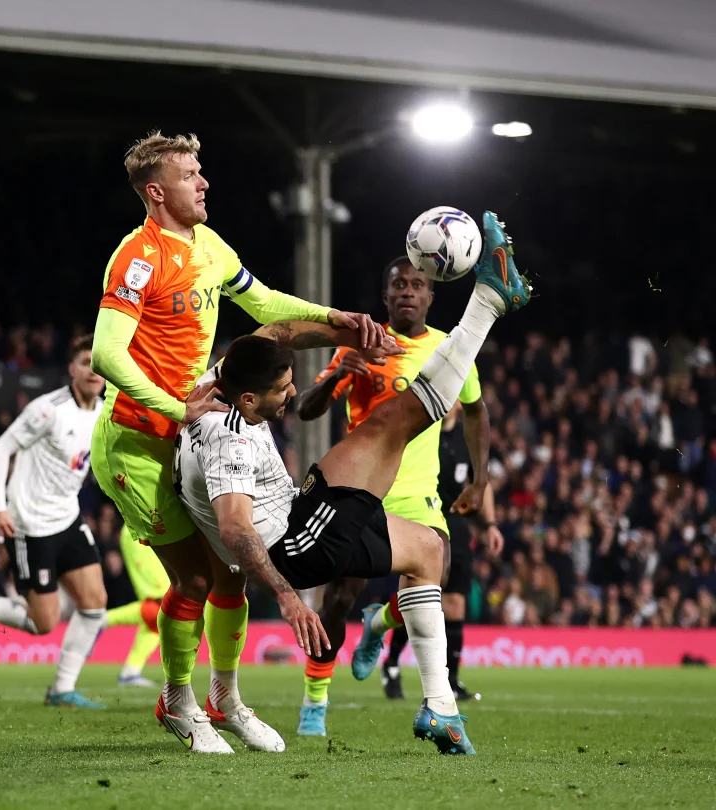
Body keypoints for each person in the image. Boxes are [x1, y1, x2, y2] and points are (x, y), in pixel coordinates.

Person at [173, 211, 529, 755]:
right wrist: (291, 600)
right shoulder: (228, 435)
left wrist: (347, 328)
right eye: (281, 391)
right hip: (292, 547)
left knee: (429, 550)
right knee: (394, 421)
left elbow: (277, 332)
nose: (290, 396)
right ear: (247, 401)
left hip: (298, 513)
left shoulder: (220, 377)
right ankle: (488, 301)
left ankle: (442, 710)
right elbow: (236, 530)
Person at [88, 131, 383, 754]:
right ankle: (179, 702)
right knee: (194, 581)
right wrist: (177, 406)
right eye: (191, 175)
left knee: (229, 579)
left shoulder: (209, 245)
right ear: (157, 191)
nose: (204, 183)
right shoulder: (137, 257)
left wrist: (338, 321)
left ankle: (226, 698)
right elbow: (106, 353)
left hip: (185, 434)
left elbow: (266, 305)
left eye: (201, 170)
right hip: (137, 443)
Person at [290, 257, 491, 736]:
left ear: (430, 296)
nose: (407, 291)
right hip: (362, 492)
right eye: (398, 284)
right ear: (385, 297)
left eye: (417, 284)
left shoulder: (448, 350)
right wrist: (338, 377)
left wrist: (480, 479)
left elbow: (477, 411)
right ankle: (315, 700)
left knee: (435, 580)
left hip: (419, 493)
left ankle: (379, 623)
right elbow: (305, 409)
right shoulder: (362, 345)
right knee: (336, 601)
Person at [0, 335, 108, 707]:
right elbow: (1, 448)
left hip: (68, 518)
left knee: (95, 605)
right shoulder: (48, 409)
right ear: (71, 369)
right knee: (42, 623)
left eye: (99, 363)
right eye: (85, 362)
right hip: (31, 526)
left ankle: (61, 689)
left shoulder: (105, 411)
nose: (93, 370)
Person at [379, 406, 503, 702]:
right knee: (422, 596)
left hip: (455, 524)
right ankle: (392, 663)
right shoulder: (422, 431)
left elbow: (480, 483)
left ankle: (452, 679)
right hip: (423, 517)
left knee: (456, 604)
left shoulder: (465, 438)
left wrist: (490, 525)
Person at [104, 527, 168, 688]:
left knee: (158, 620)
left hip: (153, 530)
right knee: (161, 605)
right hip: (140, 528)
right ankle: (99, 619)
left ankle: (131, 672)